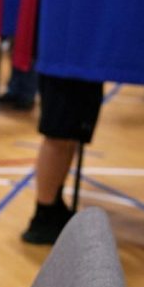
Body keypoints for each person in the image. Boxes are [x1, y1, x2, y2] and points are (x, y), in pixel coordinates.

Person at [21, 74, 104, 244]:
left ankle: (54, 205)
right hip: (64, 67)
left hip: (79, 66)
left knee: (70, 134)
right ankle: (43, 216)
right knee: (58, 135)